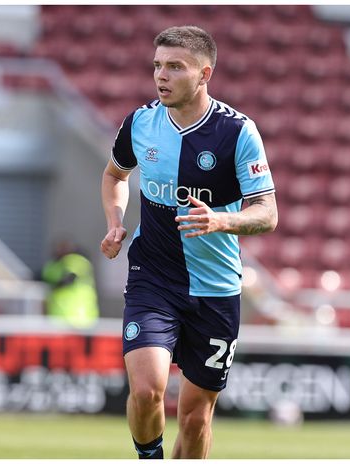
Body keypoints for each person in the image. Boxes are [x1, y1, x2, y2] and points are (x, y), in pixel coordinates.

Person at [99, 26, 277, 459]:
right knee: (146, 391)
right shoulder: (141, 123)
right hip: (153, 278)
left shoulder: (237, 132)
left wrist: (222, 220)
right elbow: (114, 175)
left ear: (204, 74)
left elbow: (267, 213)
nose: (162, 75)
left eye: (175, 67)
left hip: (215, 290)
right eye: (158, 65)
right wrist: (115, 220)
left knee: (196, 418)